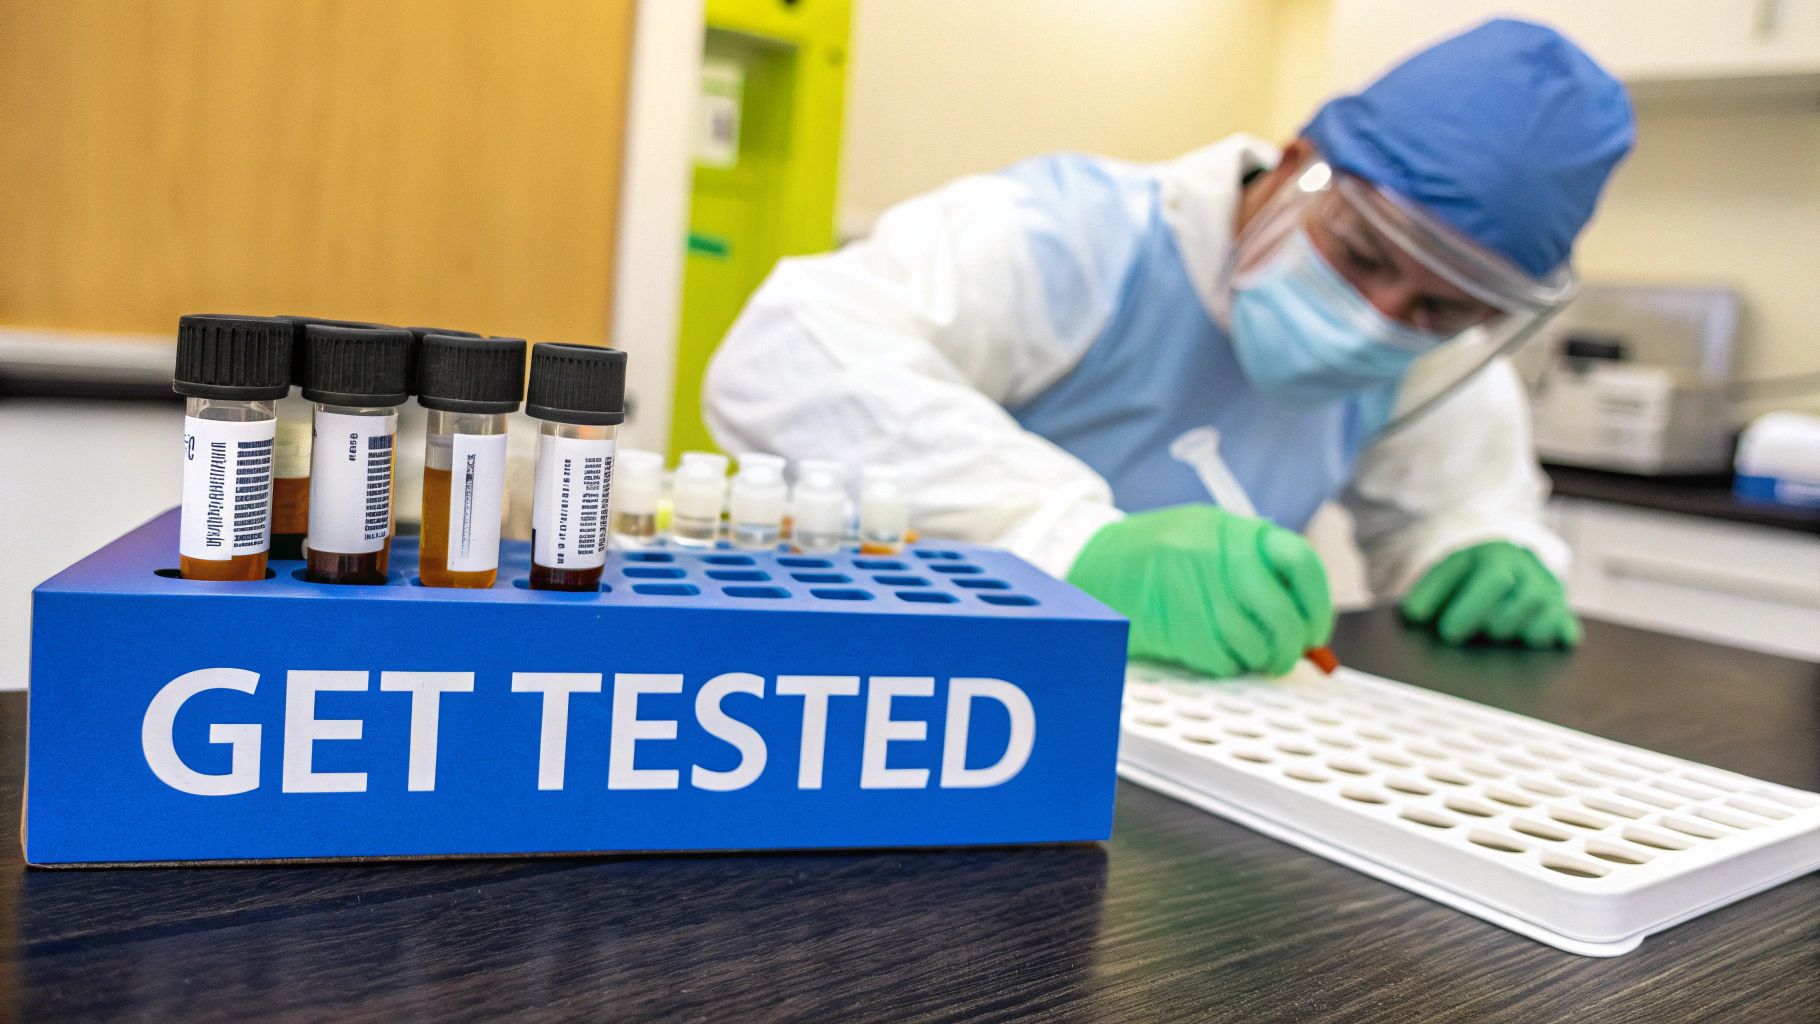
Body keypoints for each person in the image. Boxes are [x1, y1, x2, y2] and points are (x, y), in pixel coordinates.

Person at [704, 19, 1635, 679]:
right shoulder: (1078, 237)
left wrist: (1477, 550)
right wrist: (1075, 542)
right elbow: (788, 352)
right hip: (914, 693)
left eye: (1438, 306)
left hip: (1183, 743)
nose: (1379, 317)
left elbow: (1458, 508)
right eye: (1357, 253)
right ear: (1293, 162)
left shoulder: (1428, 351)